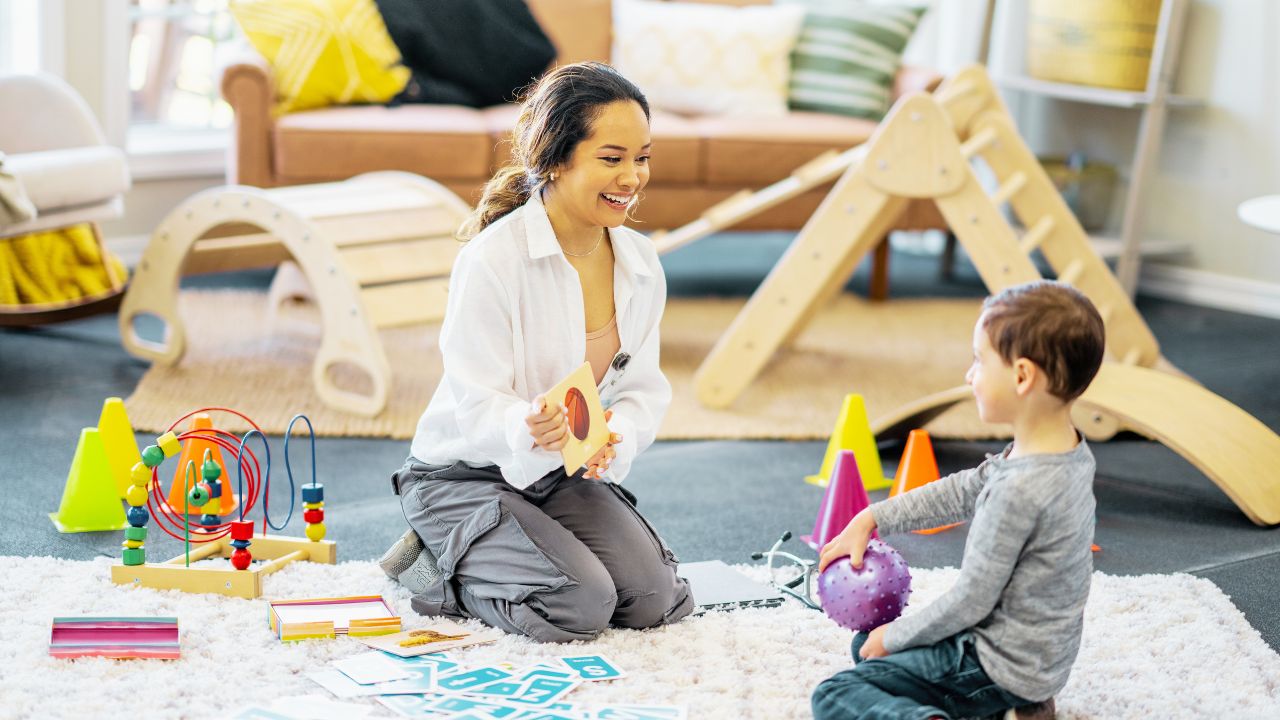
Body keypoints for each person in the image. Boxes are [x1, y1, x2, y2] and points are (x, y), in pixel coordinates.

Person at [378, 61, 693, 643]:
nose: (632, 177)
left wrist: (613, 435)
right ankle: (429, 570)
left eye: (642, 157)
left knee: (655, 599)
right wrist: (528, 423)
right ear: (555, 159)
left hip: (557, 471)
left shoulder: (641, 264)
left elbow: (641, 388)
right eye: (612, 158)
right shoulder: (493, 261)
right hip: (463, 475)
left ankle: (525, 543)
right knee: (579, 607)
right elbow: (476, 401)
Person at [811, 280, 1106, 720]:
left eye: (979, 360)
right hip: (1040, 661)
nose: (970, 374)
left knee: (835, 693)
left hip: (993, 661)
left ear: (1023, 376)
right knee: (867, 644)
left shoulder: (1018, 492)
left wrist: (894, 638)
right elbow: (966, 488)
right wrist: (873, 516)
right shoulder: (1068, 452)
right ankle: (1019, 708)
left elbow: (971, 602)